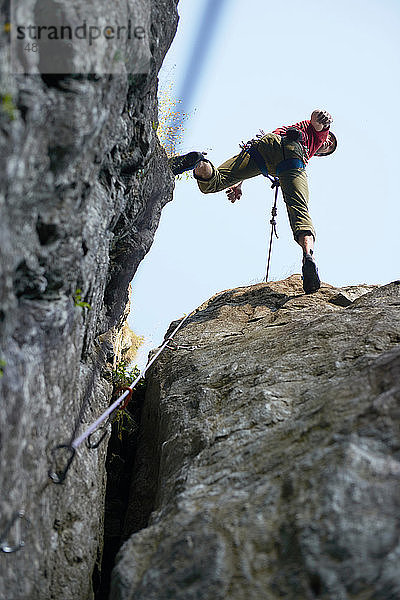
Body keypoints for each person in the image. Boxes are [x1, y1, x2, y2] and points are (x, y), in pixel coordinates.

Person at [169, 110, 337, 294]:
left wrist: (238, 184)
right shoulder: (317, 135)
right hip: (292, 155)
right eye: (329, 140)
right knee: (299, 210)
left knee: (214, 182)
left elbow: (316, 123)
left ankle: (199, 163)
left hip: (264, 147)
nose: (327, 142)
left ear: (320, 154)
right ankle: (308, 256)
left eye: (329, 146)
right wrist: (321, 117)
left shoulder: (313, 136)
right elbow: (317, 121)